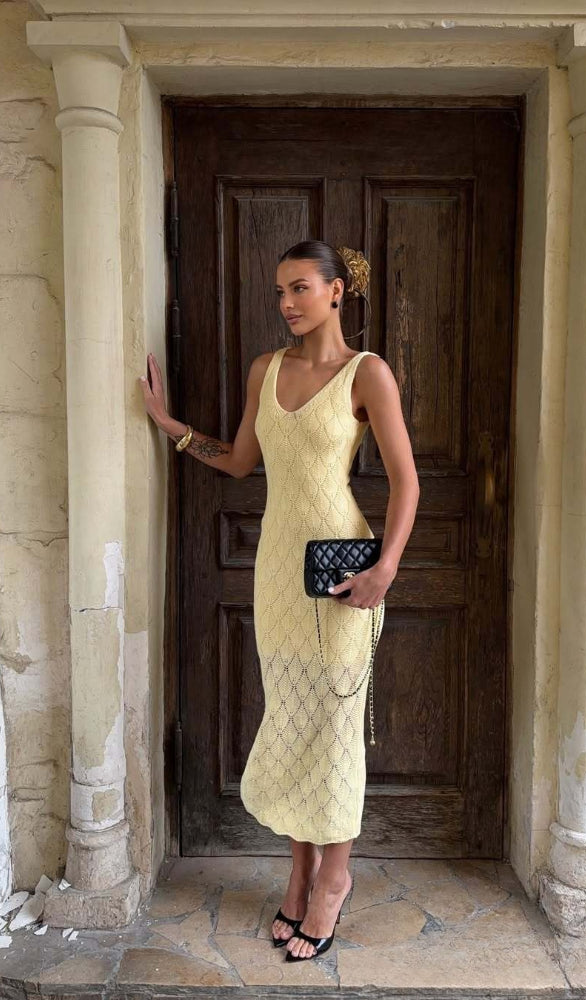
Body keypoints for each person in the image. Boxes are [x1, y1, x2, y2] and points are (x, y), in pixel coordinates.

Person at [139, 240, 419, 962]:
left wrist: (386, 568)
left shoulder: (367, 372)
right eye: (279, 292)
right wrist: (172, 429)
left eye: (300, 288)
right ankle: (298, 873)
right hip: (277, 574)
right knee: (292, 722)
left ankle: (334, 878)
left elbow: (407, 483)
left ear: (336, 291)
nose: (287, 303)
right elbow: (240, 461)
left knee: (335, 725)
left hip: (342, 574)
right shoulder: (266, 369)